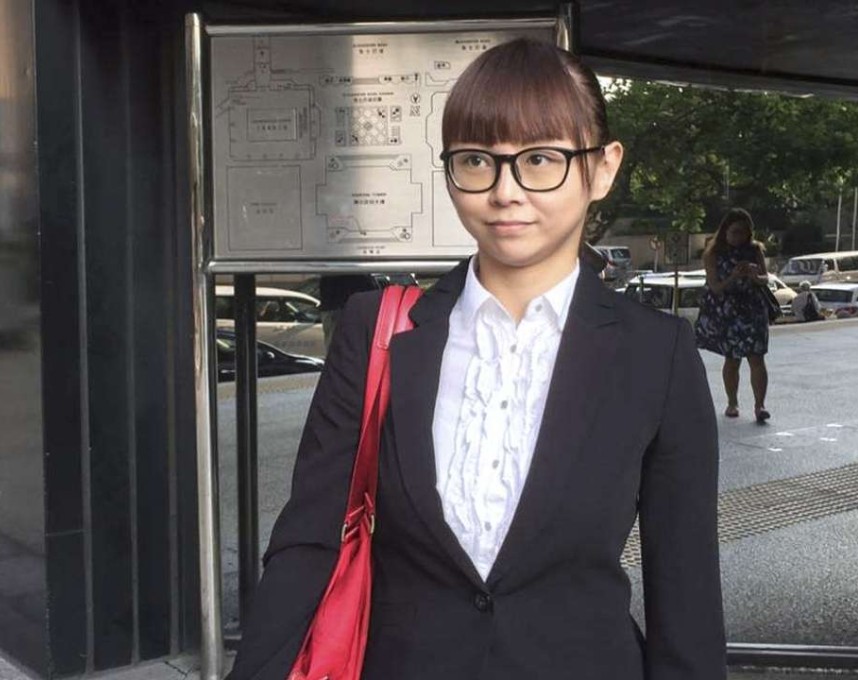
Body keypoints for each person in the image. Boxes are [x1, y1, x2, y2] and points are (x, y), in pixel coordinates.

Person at [228, 39, 725, 680]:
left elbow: (685, 590)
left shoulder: (657, 354)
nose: (504, 191)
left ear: (603, 168)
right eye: (476, 161)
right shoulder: (378, 332)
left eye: (540, 159)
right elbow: (308, 541)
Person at [695, 208, 771, 422]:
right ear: (725, 231)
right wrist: (734, 276)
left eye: (745, 232)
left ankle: (760, 405)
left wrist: (755, 276)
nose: (740, 237)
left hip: (753, 309)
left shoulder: (754, 250)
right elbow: (715, 287)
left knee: (757, 357)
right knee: (732, 359)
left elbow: (765, 278)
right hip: (729, 312)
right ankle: (732, 402)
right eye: (736, 232)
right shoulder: (713, 254)